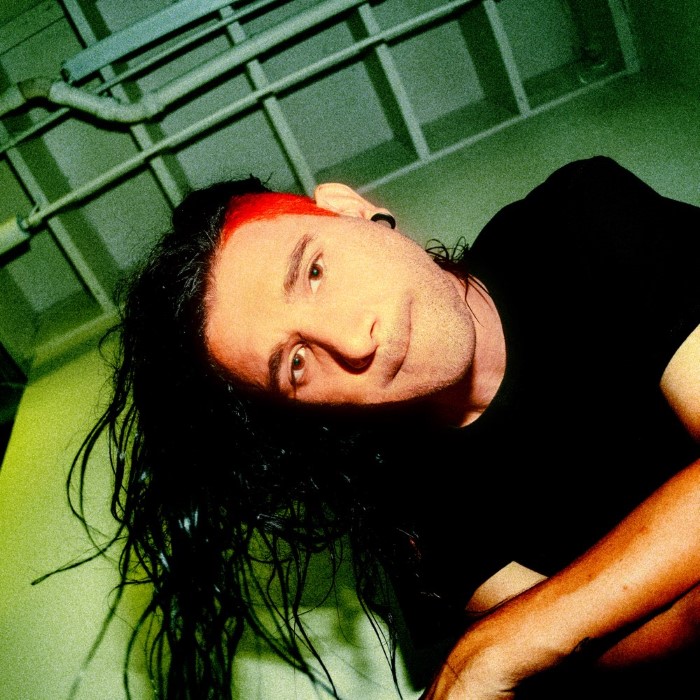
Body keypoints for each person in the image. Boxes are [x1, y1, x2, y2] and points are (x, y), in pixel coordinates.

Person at [58, 155, 699, 699]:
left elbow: (544, 641)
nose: (353, 339)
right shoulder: (405, 510)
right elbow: (665, 639)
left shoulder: (575, 220)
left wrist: (491, 650)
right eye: (296, 363)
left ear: (351, 209)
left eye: (313, 272)